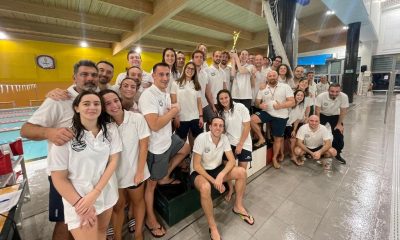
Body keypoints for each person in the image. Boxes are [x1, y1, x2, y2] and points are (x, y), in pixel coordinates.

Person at [20, 60, 99, 240]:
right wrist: (49, 132)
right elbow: (25, 129)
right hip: (63, 175)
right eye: (84, 74)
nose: (90, 78)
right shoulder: (59, 100)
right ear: (74, 78)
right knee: (64, 221)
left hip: (89, 172)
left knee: (84, 219)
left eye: (94, 75)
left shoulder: (97, 98)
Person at [49, 90, 122, 239]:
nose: (92, 107)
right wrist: (80, 203)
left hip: (106, 192)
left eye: (96, 104)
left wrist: (96, 192)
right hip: (79, 198)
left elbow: (114, 161)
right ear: (76, 107)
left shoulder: (110, 130)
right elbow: (58, 177)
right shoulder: (66, 136)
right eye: (86, 104)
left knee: (102, 232)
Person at [138, 62, 191, 238]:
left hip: (168, 139)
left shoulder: (165, 92)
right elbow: (154, 124)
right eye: (161, 75)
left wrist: (173, 113)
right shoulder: (148, 95)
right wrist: (175, 110)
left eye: (167, 74)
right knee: (151, 185)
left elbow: (167, 115)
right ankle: (150, 219)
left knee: (186, 147)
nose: (165, 78)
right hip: (156, 148)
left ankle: (164, 176)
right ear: (153, 76)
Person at [191, 117, 254, 240]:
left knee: (241, 172)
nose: (218, 128)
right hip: (199, 172)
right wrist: (214, 180)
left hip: (216, 169)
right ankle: (213, 227)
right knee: (205, 187)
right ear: (210, 127)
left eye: (221, 125)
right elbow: (196, 166)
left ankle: (238, 206)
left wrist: (220, 175)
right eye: (215, 125)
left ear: (223, 128)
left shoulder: (224, 138)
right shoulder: (201, 138)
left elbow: (231, 160)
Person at [100, 89, 150, 240]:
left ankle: (139, 233)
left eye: (116, 100)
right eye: (107, 103)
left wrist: (140, 171)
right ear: (102, 107)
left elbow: (144, 146)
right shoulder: (104, 126)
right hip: (114, 175)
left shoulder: (136, 118)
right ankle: (117, 236)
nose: (114, 105)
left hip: (135, 171)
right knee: (118, 206)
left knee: (137, 202)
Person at [250, 70, 295, 169]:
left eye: (274, 75)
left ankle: (274, 158)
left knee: (277, 139)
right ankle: (261, 138)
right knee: (251, 119)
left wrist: (281, 106)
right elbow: (257, 102)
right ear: (267, 78)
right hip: (267, 112)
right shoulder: (263, 88)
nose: (272, 77)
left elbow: (292, 102)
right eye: (270, 76)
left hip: (281, 115)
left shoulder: (285, 87)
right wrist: (260, 105)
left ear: (277, 76)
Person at [216, 89, 252, 201]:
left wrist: (240, 144)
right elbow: (223, 130)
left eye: (226, 97)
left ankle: (239, 196)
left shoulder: (240, 107)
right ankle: (231, 189)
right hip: (229, 143)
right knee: (228, 169)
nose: (224, 100)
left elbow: (247, 127)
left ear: (230, 97)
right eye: (221, 99)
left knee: (241, 172)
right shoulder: (220, 113)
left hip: (244, 143)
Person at [170, 62, 204, 145]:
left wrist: (201, 117)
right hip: (181, 117)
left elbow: (199, 103)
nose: (190, 70)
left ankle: (192, 155)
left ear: (195, 71)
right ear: (185, 69)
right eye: (188, 68)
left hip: (194, 116)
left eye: (192, 69)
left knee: (196, 140)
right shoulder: (176, 83)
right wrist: (176, 117)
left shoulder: (196, 85)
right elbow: (173, 102)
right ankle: (182, 156)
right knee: (181, 141)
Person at [315, 83, 349, 164]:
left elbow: (343, 111)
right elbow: (317, 111)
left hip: (335, 115)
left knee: (339, 134)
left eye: (337, 91)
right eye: (332, 91)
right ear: (328, 90)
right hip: (322, 114)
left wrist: (339, 124)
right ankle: (316, 151)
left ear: (340, 91)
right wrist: (318, 123)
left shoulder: (344, 96)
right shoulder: (321, 96)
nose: (334, 93)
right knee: (317, 132)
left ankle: (337, 153)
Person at [282, 90, 307, 165]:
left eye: (302, 95)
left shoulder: (301, 106)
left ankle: (293, 155)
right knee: (285, 139)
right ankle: (290, 155)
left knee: (293, 139)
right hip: (282, 123)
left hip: (289, 125)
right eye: (298, 95)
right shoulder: (290, 104)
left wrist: (294, 130)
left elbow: (297, 120)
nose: (300, 97)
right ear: (294, 96)